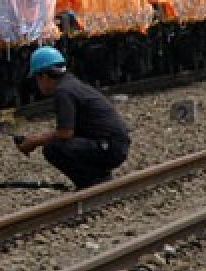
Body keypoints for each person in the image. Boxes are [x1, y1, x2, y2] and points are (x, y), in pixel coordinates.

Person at [14, 46, 131, 190]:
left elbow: (65, 133)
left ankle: (91, 183)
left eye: (36, 79)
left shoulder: (63, 92)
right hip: (114, 145)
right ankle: (99, 178)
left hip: (110, 148)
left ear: (43, 76)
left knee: (54, 149)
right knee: (59, 144)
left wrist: (34, 141)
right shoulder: (72, 84)